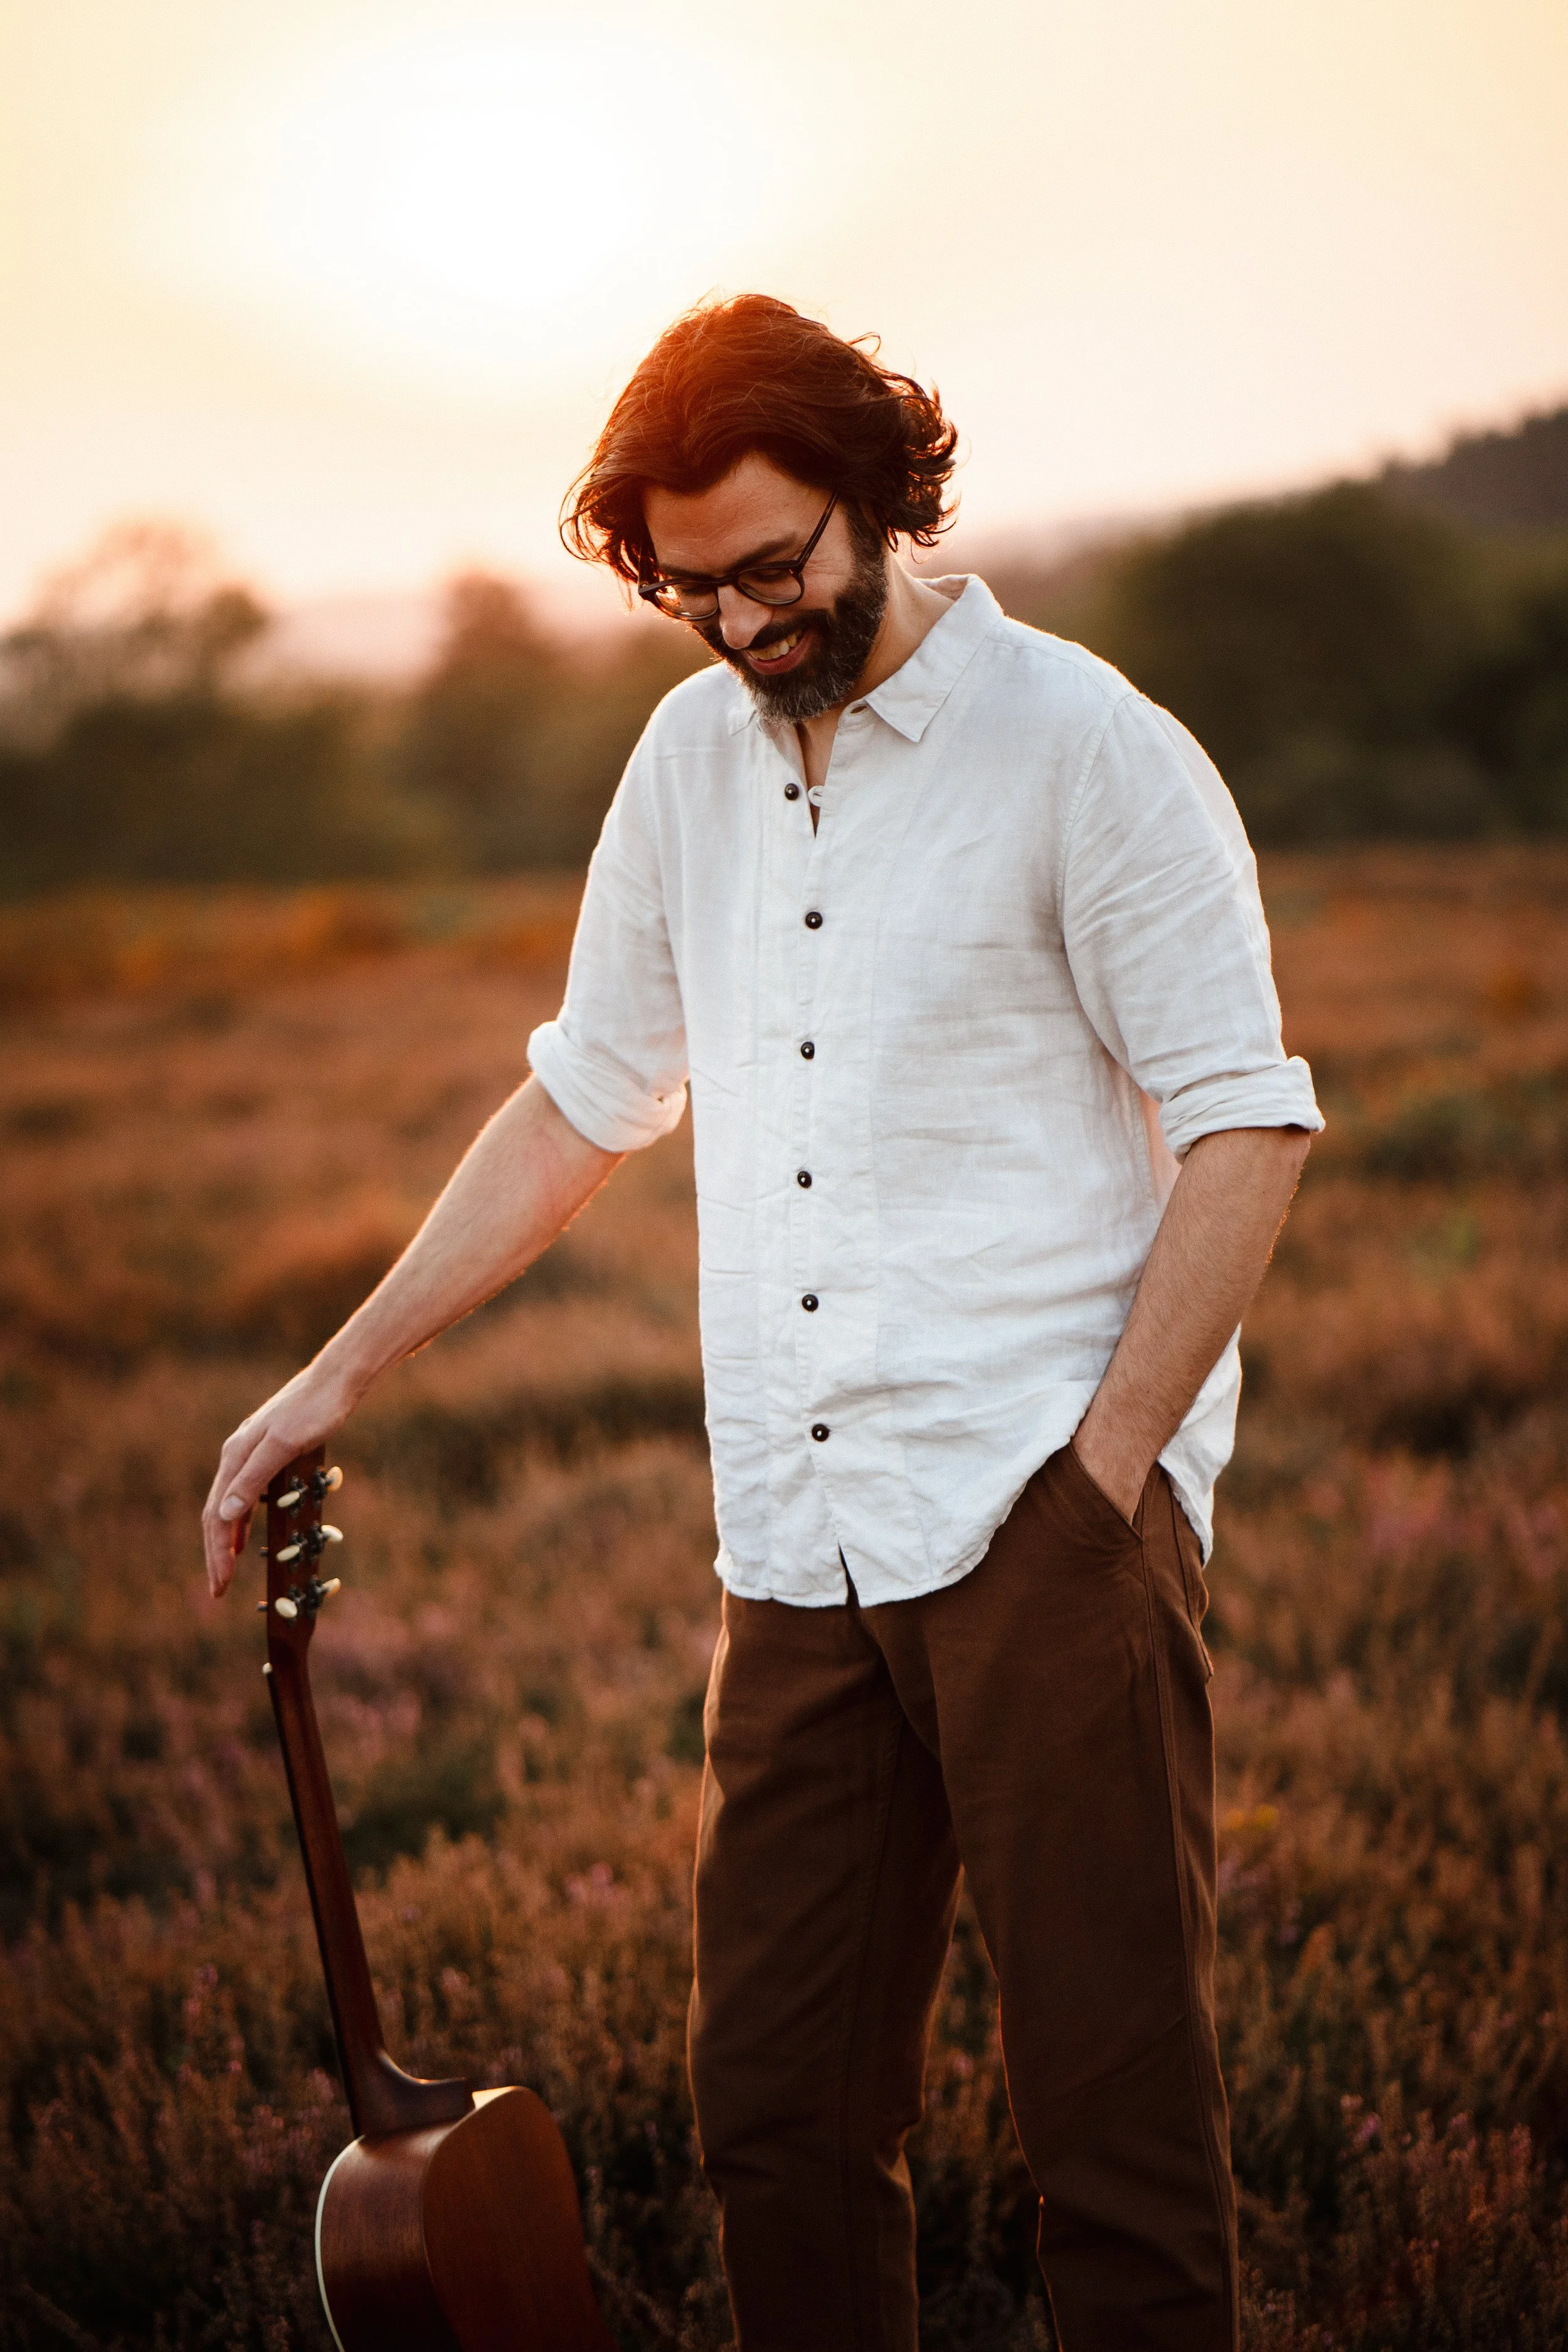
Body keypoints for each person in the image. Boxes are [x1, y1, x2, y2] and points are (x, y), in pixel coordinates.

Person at [203, 294, 1321, 2352]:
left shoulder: (1087, 750)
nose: (736, 621)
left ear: (878, 495)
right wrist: (334, 1364)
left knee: (1117, 2143)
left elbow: (1247, 1126)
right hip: (792, 1553)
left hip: (1039, 1531)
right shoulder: (685, 763)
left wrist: (1096, 1492)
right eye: (687, 586)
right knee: (777, 2122)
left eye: (773, 566)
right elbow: (582, 1097)